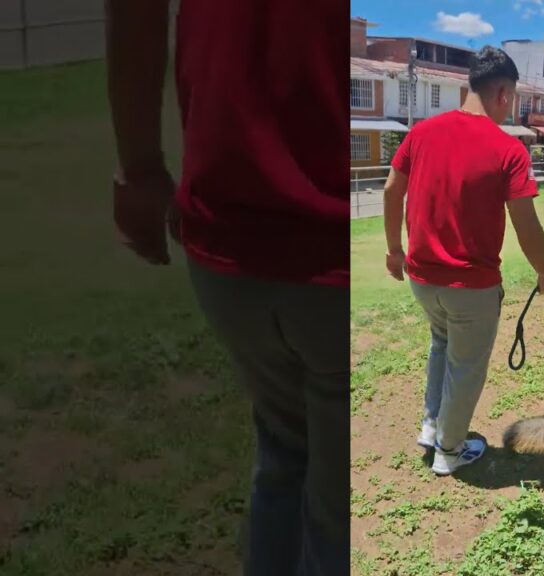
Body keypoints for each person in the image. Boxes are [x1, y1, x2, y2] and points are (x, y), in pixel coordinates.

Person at [105, 1, 345, 574]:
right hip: (325, 256)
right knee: (336, 520)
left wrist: (140, 166)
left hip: (229, 242)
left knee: (285, 460)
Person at [382, 46, 544, 476]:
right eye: (512, 97)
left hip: (422, 278)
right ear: (502, 93)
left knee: (441, 345)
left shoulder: (420, 134)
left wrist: (393, 249)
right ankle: (450, 451)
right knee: (466, 367)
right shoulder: (508, 149)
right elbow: (525, 222)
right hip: (470, 288)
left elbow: (390, 191)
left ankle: (431, 426)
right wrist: (543, 271)